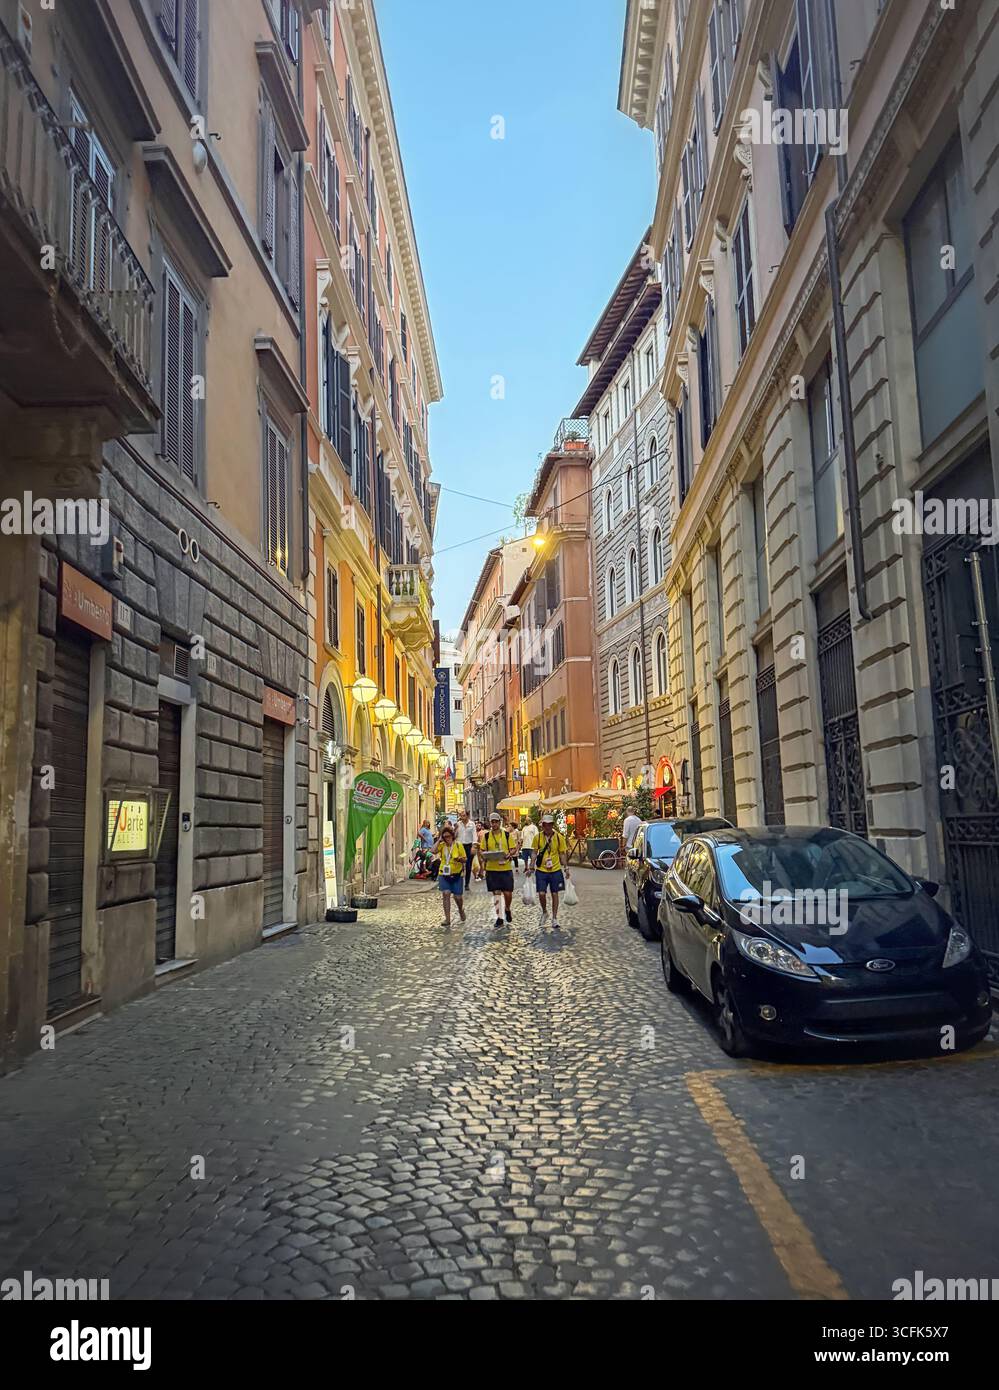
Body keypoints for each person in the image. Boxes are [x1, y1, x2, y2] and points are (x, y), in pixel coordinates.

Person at [480, 810, 516, 928]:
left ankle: (507, 908)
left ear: (499, 822)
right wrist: (484, 855)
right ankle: (499, 917)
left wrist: (510, 854)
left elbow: (513, 848)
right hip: (492, 868)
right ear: (490, 823)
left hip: (505, 868)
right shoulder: (486, 836)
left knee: (507, 893)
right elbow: (482, 850)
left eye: (496, 822)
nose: (494, 824)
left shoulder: (506, 835)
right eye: (492, 822)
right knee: (496, 894)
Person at [534, 811, 569, 930]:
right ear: (542, 825)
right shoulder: (538, 837)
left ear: (552, 825)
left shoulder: (559, 837)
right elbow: (534, 852)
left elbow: (562, 853)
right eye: (545, 824)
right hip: (541, 870)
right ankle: (544, 911)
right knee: (541, 893)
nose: (547, 827)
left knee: (555, 893)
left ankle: (554, 918)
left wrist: (566, 867)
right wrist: (530, 866)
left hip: (555, 869)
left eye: (549, 824)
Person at [435, 822, 467, 928]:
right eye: (444, 837)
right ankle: (447, 919)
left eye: (448, 836)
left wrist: (460, 859)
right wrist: (439, 840)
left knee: (458, 897)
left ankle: (460, 909)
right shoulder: (442, 845)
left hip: (457, 874)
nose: (446, 838)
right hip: (443, 874)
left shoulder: (458, 845)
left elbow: (465, 859)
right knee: (446, 893)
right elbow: (432, 851)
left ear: (452, 836)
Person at [456, 807, 478, 891]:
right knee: (459, 864)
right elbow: (456, 835)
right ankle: (458, 882)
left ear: (467, 816)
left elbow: (474, 836)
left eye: (464, 815)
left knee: (468, 865)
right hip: (460, 846)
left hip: (469, 846)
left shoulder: (472, 824)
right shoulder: (458, 824)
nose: (462, 817)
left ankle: (467, 884)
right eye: (461, 816)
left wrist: (474, 846)